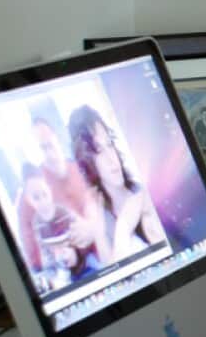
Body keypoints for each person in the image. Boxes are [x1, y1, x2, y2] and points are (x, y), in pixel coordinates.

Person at [69, 105, 166, 263]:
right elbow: (113, 268)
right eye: (99, 150)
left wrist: (124, 228)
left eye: (109, 144)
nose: (111, 158)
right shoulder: (100, 215)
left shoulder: (143, 194)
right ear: (87, 161)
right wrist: (98, 234)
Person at [15, 118, 100, 271]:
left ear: (57, 138)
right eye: (42, 147)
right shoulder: (32, 191)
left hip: (104, 253)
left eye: (50, 142)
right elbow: (34, 257)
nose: (49, 151)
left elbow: (101, 203)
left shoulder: (79, 168)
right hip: (70, 269)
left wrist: (93, 227)